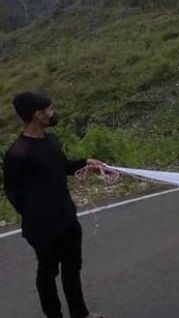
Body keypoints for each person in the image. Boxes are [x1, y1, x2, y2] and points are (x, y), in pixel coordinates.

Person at [2, 92, 107, 318]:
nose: (53, 113)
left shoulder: (52, 140)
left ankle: (80, 314)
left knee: (72, 270)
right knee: (48, 273)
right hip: (42, 227)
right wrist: (37, 215)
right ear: (37, 115)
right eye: (49, 110)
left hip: (67, 218)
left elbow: (63, 166)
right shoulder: (17, 154)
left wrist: (85, 163)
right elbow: (13, 193)